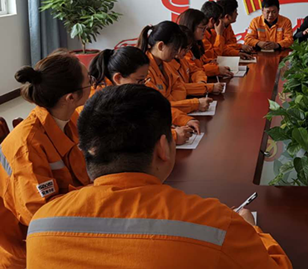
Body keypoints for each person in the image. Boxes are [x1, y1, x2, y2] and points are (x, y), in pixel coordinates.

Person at [26, 84, 293, 268]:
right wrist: (251, 230)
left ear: (85, 150)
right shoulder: (216, 225)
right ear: (163, 148)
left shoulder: (41, 226)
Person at [0, 51, 91, 268]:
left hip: (71, 221)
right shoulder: (27, 145)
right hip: (30, 247)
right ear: (70, 97)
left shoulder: (70, 118)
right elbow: (39, 215)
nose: (93, 85)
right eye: (90, 81)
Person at [88, 47, 195, 145]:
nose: (143, 85)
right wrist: (172, 136)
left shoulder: (127, 89)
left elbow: (154, 107)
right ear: (118, 78)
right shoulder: (101, 103)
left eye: (144, 80)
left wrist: (185, 120)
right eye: (139, 80)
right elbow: (127, 136)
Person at [137, 21, 212, 129]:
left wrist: (170, 101)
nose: (176, 53)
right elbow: (158, 108)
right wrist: (194, 104)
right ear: (161, 46)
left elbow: (180, 88)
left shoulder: (165, 63)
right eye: (175, 49)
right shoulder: (143, 72)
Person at [168, 26, 225, 97]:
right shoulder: (167, 65)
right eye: (185, 48)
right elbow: (179, 87)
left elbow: (196, 71)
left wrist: (201, 82)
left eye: (189, 48)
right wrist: (207, 88)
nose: (187, 51)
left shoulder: (182, 58)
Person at [178, 8, 233, 78]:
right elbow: (194, 70)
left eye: (205, 28)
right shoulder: (184, 49)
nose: (204, 31)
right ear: (191, 27)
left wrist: (210, 62)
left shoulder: (197, 44)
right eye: (202, 28)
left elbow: (203, 61)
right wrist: (215, 69)